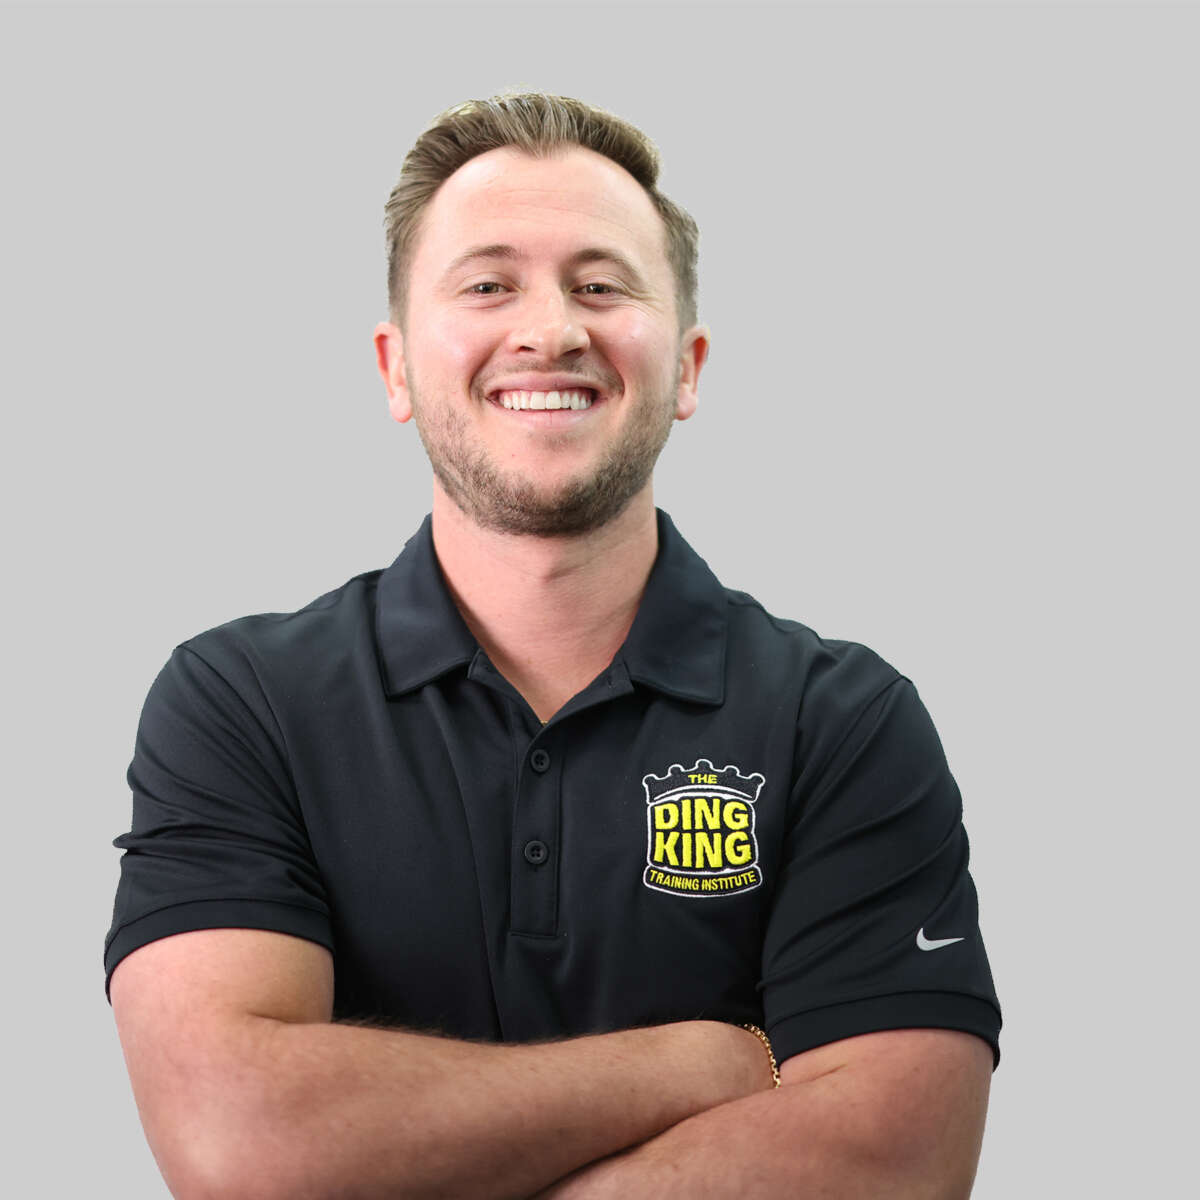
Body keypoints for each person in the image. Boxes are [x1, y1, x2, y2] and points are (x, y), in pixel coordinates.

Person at [106, 92, 1001, 1198]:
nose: (551, 329)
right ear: (394, 367)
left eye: (602, 285)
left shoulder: (844, 721)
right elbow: (242, 1143)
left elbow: (894, 1163)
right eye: (488, 285)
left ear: (687, 367)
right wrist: (703, 1059)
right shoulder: (243, 702)